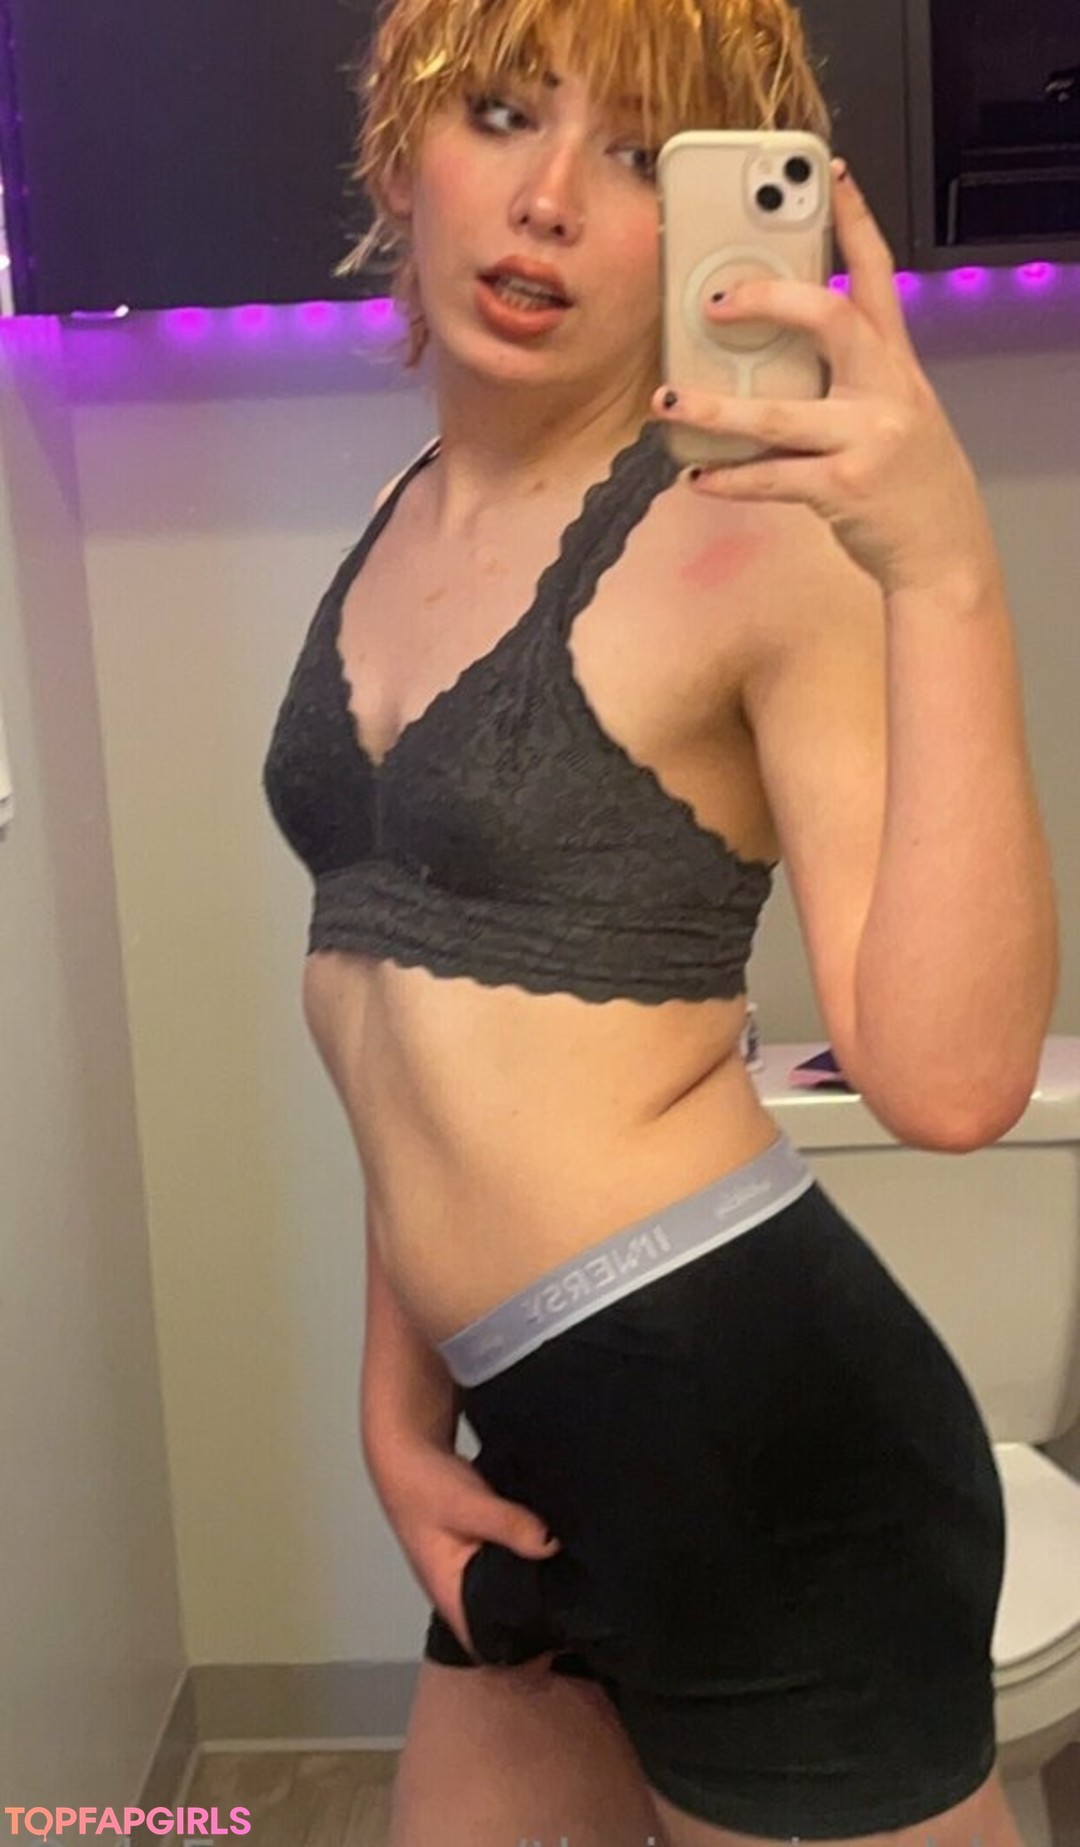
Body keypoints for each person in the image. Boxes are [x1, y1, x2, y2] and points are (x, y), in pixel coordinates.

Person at [262, 0, 1059, 1840]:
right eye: (500, 113)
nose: (549, 197)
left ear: (705, 220)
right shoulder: (396, 518)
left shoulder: (755, 537)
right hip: (543, 1456)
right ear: (402, 147)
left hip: (772, 1468)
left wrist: (945, 573)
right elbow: (402, 1030)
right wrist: (397, 1420)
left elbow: (951, 1086)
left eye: (636, 157)